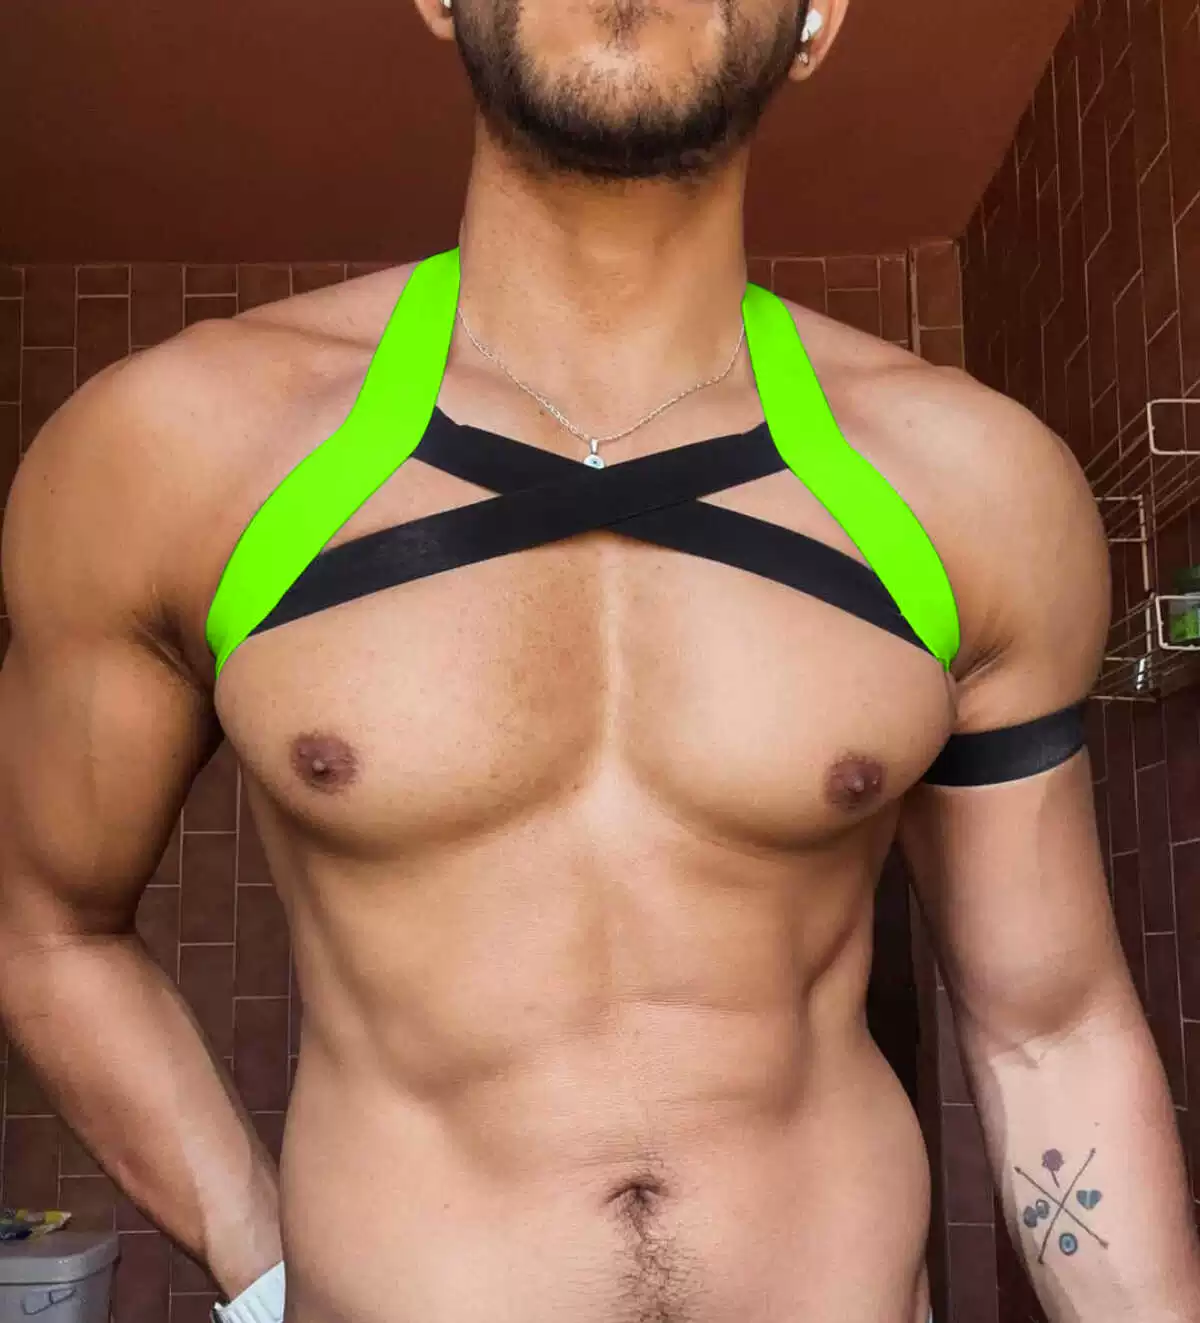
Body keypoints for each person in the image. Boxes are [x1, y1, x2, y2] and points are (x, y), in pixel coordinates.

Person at [1, 1, 1198, 1320]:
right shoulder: (172, 453)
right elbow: (47, 929)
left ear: (817, 20)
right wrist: (270, 1276)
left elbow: (1054, 1031)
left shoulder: (975, 486)